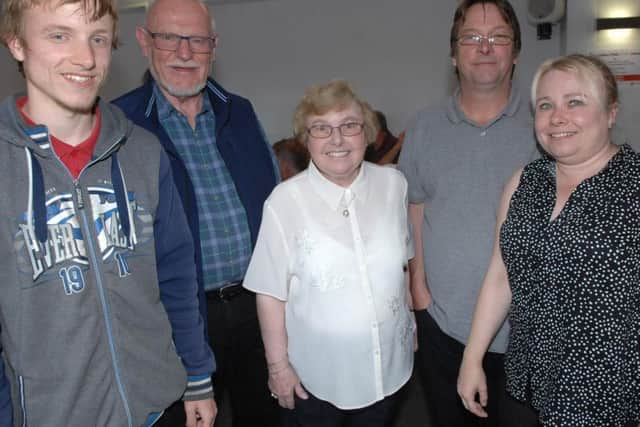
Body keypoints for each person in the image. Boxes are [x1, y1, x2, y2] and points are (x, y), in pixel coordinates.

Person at [0, 0, 216, 426]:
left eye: (97, 38)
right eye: (59, 35)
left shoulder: (143, 152)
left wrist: (197, 378)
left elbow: (176, 275)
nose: (85, 58)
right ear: (17, 44)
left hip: (160, 407)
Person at [112, 0, 280, 425]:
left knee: (269, 415)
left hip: (256, 309)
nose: (184, 53)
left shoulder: (239, 112)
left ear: (214, 46)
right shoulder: (118, 124)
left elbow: (275, 206)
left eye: (198, 40)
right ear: (144, 41)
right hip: (174, 323)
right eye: (169, 37)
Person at [458, 54, 640, 427]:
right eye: (546, 105)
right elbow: (500, 275)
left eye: (575, 102)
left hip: (606, 395)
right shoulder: (523, 183)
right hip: (525, 383)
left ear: (610, 113)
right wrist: (472, 359)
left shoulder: (633, 186)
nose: (557, 117)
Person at [397, 1, 539, 425]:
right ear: (453, 54)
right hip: (444, 325)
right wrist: (418, 290)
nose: (485, 47)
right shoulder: (424, 126)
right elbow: (414, 204)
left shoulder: (546, 126)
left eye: (498, 37)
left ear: (515, 52)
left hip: (526, 332)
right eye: (471, 38)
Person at [243, 80, 415, 427]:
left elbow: (402, 264)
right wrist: (278, 368)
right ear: (305, 141)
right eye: (321, 128)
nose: (337, 139)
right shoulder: (284, 202)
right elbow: (269, 294)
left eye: (349, 126)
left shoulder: (394, 185)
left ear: (367, 135)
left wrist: (410, 324)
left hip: (389, 368)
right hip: (316, 381)